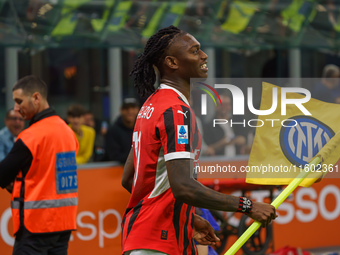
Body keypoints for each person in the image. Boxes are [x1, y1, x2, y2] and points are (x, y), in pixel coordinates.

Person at [121, 25, 276, 255]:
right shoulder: (175, 110)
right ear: (172, 63)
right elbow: (183, 186)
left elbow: (129, 179)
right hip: (158, 243)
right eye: (195, 51)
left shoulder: (151, 106)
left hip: (146, 238)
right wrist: (247, 206)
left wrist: (188, 217)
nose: (203, 56)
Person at [0, 75, 79, 255]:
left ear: (36, 98)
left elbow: (2, 174)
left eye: (19, 101)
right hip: (64, 224)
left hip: (36, 226)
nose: (16, 108)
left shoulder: (30, 137)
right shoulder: (67, 132)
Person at [104, 98, 139, 163]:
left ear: (138, 110)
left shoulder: (141, 129)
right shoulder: (113, 130)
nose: (130, 111)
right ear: (121, 110)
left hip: (139, 169)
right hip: (117, 170)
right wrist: (138, 158)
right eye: (126, 109)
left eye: (133, 108)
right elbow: (114, 156)